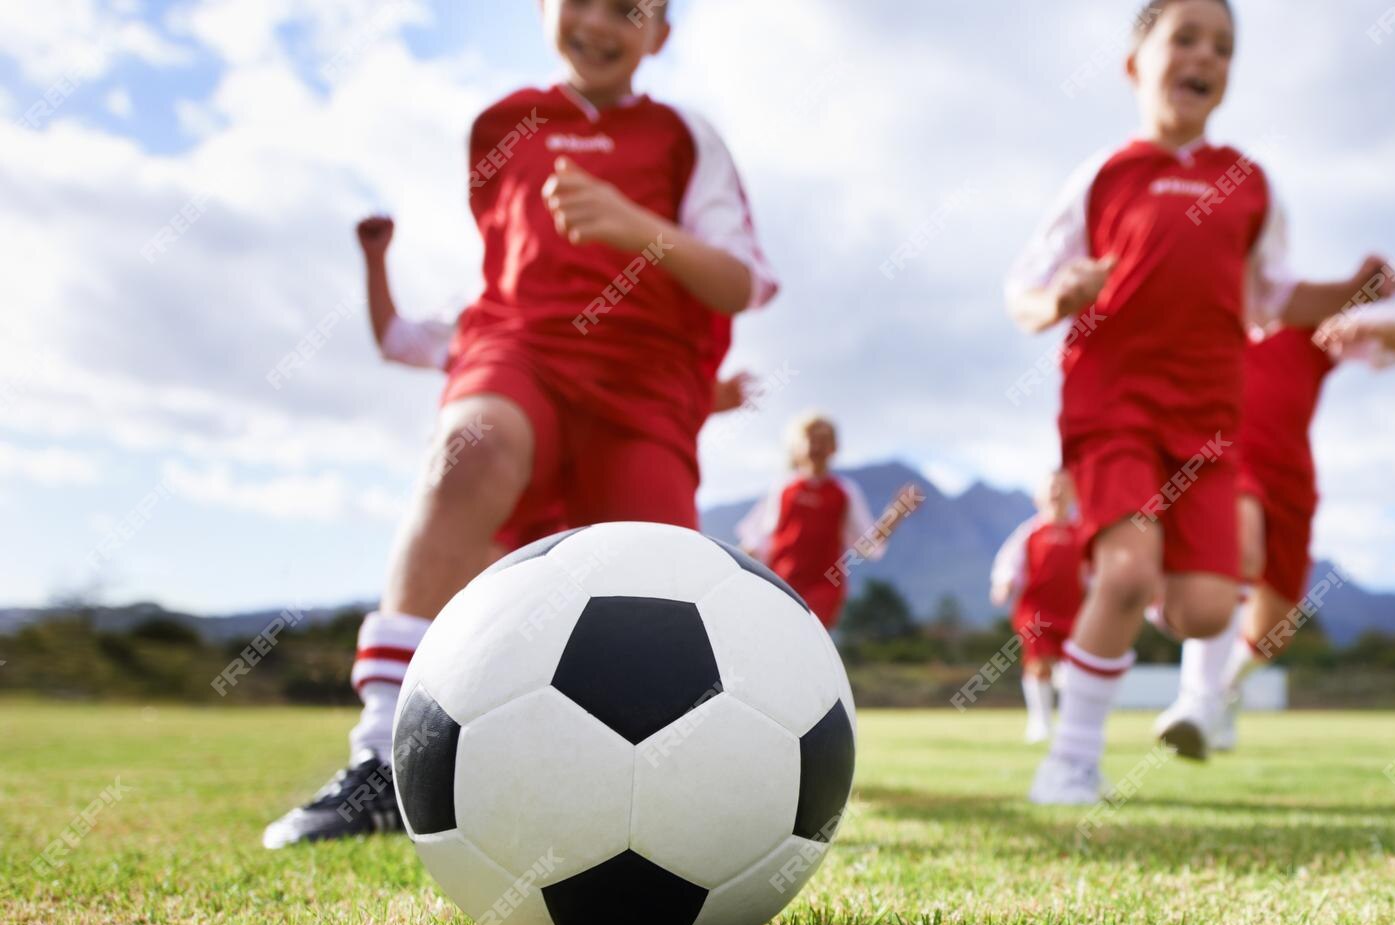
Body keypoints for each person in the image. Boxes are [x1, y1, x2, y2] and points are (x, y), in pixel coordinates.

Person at [266, 0, 778, 848]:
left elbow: (741, 282)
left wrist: (633, 224)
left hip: (645, 384)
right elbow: (475, 292)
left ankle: (638, 793)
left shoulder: (685, 136)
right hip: (522, 348)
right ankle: (383, 758)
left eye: (631, 9)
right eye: (583, 1)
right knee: (468, 455)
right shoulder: (501, 126)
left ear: (660, 35)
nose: (602, 24)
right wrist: (378, 264)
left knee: (650, 597)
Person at [1003, 0, 1395, 804]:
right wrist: (1059, 297)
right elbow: (1023, 289)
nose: (1205, 55)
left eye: (1222, 46)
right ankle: (1071, 760)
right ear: (1134, 64)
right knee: (1125, 574)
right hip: (1111, 407)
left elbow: (1278, 297)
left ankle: (1140, 585)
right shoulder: (1104, 176)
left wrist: (1352, 288)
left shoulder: (1248, 184)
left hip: (1207, 425)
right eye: (1183, 37)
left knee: (1206, 609)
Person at [352, 212, 760, 559]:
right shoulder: (488, 306)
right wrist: (375, 260)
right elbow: (396, 339)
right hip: (517, 532)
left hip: (606, 516)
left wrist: (705, 396)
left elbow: (632, 388)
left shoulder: (617, 295)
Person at [1161, 305, 1395, 756]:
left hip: (1291, 480)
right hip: (1228, 458)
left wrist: (1375, 324)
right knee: (1239, 552)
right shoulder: (1211, 317)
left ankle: (1222, 693)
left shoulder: (1307, 323)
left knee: (1271, 635)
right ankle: (1195, 702)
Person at [735, 413, 925, 630]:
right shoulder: (782, 488)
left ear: (834, 447)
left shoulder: (845, 492)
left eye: (824, 439)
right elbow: (755, 542)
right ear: (797, 447)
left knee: (804, 637)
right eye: (811, 437)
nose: (817, 445)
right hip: (780, 583)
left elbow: (868, 544)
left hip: (824, 589)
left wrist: (897, 511)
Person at [990, 470, 1086, 743]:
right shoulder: (1029, 532)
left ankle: (1070, 725)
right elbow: (1008, 563)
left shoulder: (1083, 532)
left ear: (1074, 494)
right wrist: (1003, 584)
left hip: (1075, 611)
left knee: (1074, 670)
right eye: (1051, 488)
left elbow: (1093, 571)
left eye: (1063, 487)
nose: (1057, 493)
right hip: (1036, 612)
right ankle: (1040, 722)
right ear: (1038, 497)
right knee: (1038, 664)